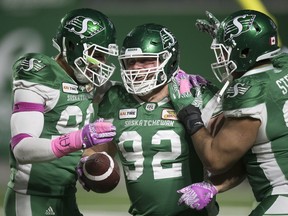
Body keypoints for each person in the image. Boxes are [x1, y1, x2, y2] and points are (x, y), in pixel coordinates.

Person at [78, 22, 225, 216]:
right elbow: (98, 150)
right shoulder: (116, 98)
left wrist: (213, 187)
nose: (136, 68)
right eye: (130, 61)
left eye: (145, 60)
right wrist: (90, 161)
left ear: (169, 61)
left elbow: (231, 156)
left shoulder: (197, 93)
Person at [168, 9, 288, 216]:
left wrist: (190, 113)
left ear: (244, 51)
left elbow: (216, 160)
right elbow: (247, 153)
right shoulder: (282, 69)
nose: (221, 57)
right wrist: (215, 187)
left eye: (224, 50)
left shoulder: (250, 90)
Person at [3, 8, 118, 216]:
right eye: (97, 55)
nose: (102, 63)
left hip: (66, 196)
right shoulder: (41, 73)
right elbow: (21, 148)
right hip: (32, 199)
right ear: (72, 46)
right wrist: (78, 139)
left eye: (104, 56)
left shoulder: (93, 85)